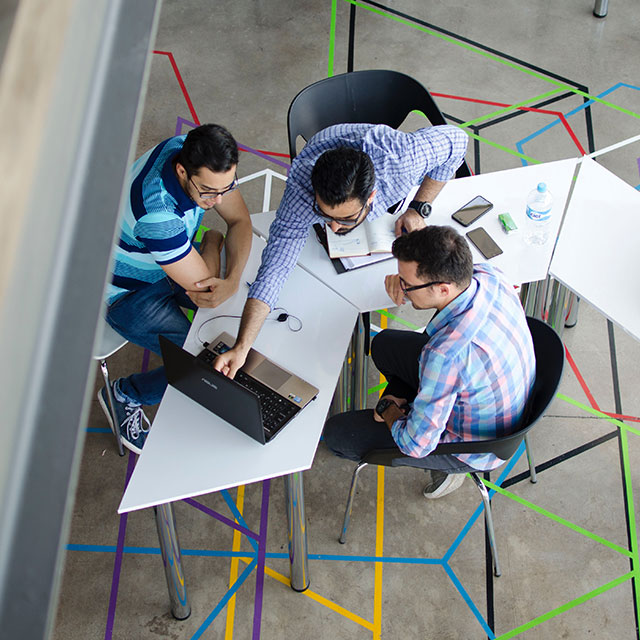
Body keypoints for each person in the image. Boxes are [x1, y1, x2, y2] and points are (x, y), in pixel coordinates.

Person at [195, 123, 468, 378]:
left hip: (383, 153)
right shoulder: (302, 188)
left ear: (371, 197)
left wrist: (418, 207)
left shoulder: (403, 161)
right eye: (325, 215)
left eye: (347, 219)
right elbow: (275, 267)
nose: (335, 229)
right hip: (331, 150)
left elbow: (458, 140)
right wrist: (243, 346)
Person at [324, 225, 536, 498]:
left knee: (338, 434)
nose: (402, 288)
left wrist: (389, 408)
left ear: (443, 289)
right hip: (501, 397)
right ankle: (419, 407)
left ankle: (447, 470)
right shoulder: (488, 276)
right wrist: (402, 280)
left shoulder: (445, 355)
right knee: (384, 345)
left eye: (407, 285)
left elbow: (415, 444)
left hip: (473, 447)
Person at [99, 124, 252, 454]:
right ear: (182, 171)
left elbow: (240, 221)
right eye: (209, 192)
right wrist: (212, 241)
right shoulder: (158, 215)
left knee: (233, 309)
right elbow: (207, 291)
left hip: (167, 261)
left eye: (228, 187)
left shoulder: (191, 149)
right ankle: (126, 394)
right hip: (127, 294)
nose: (219, 200)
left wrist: (233, 279)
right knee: (199, 361)